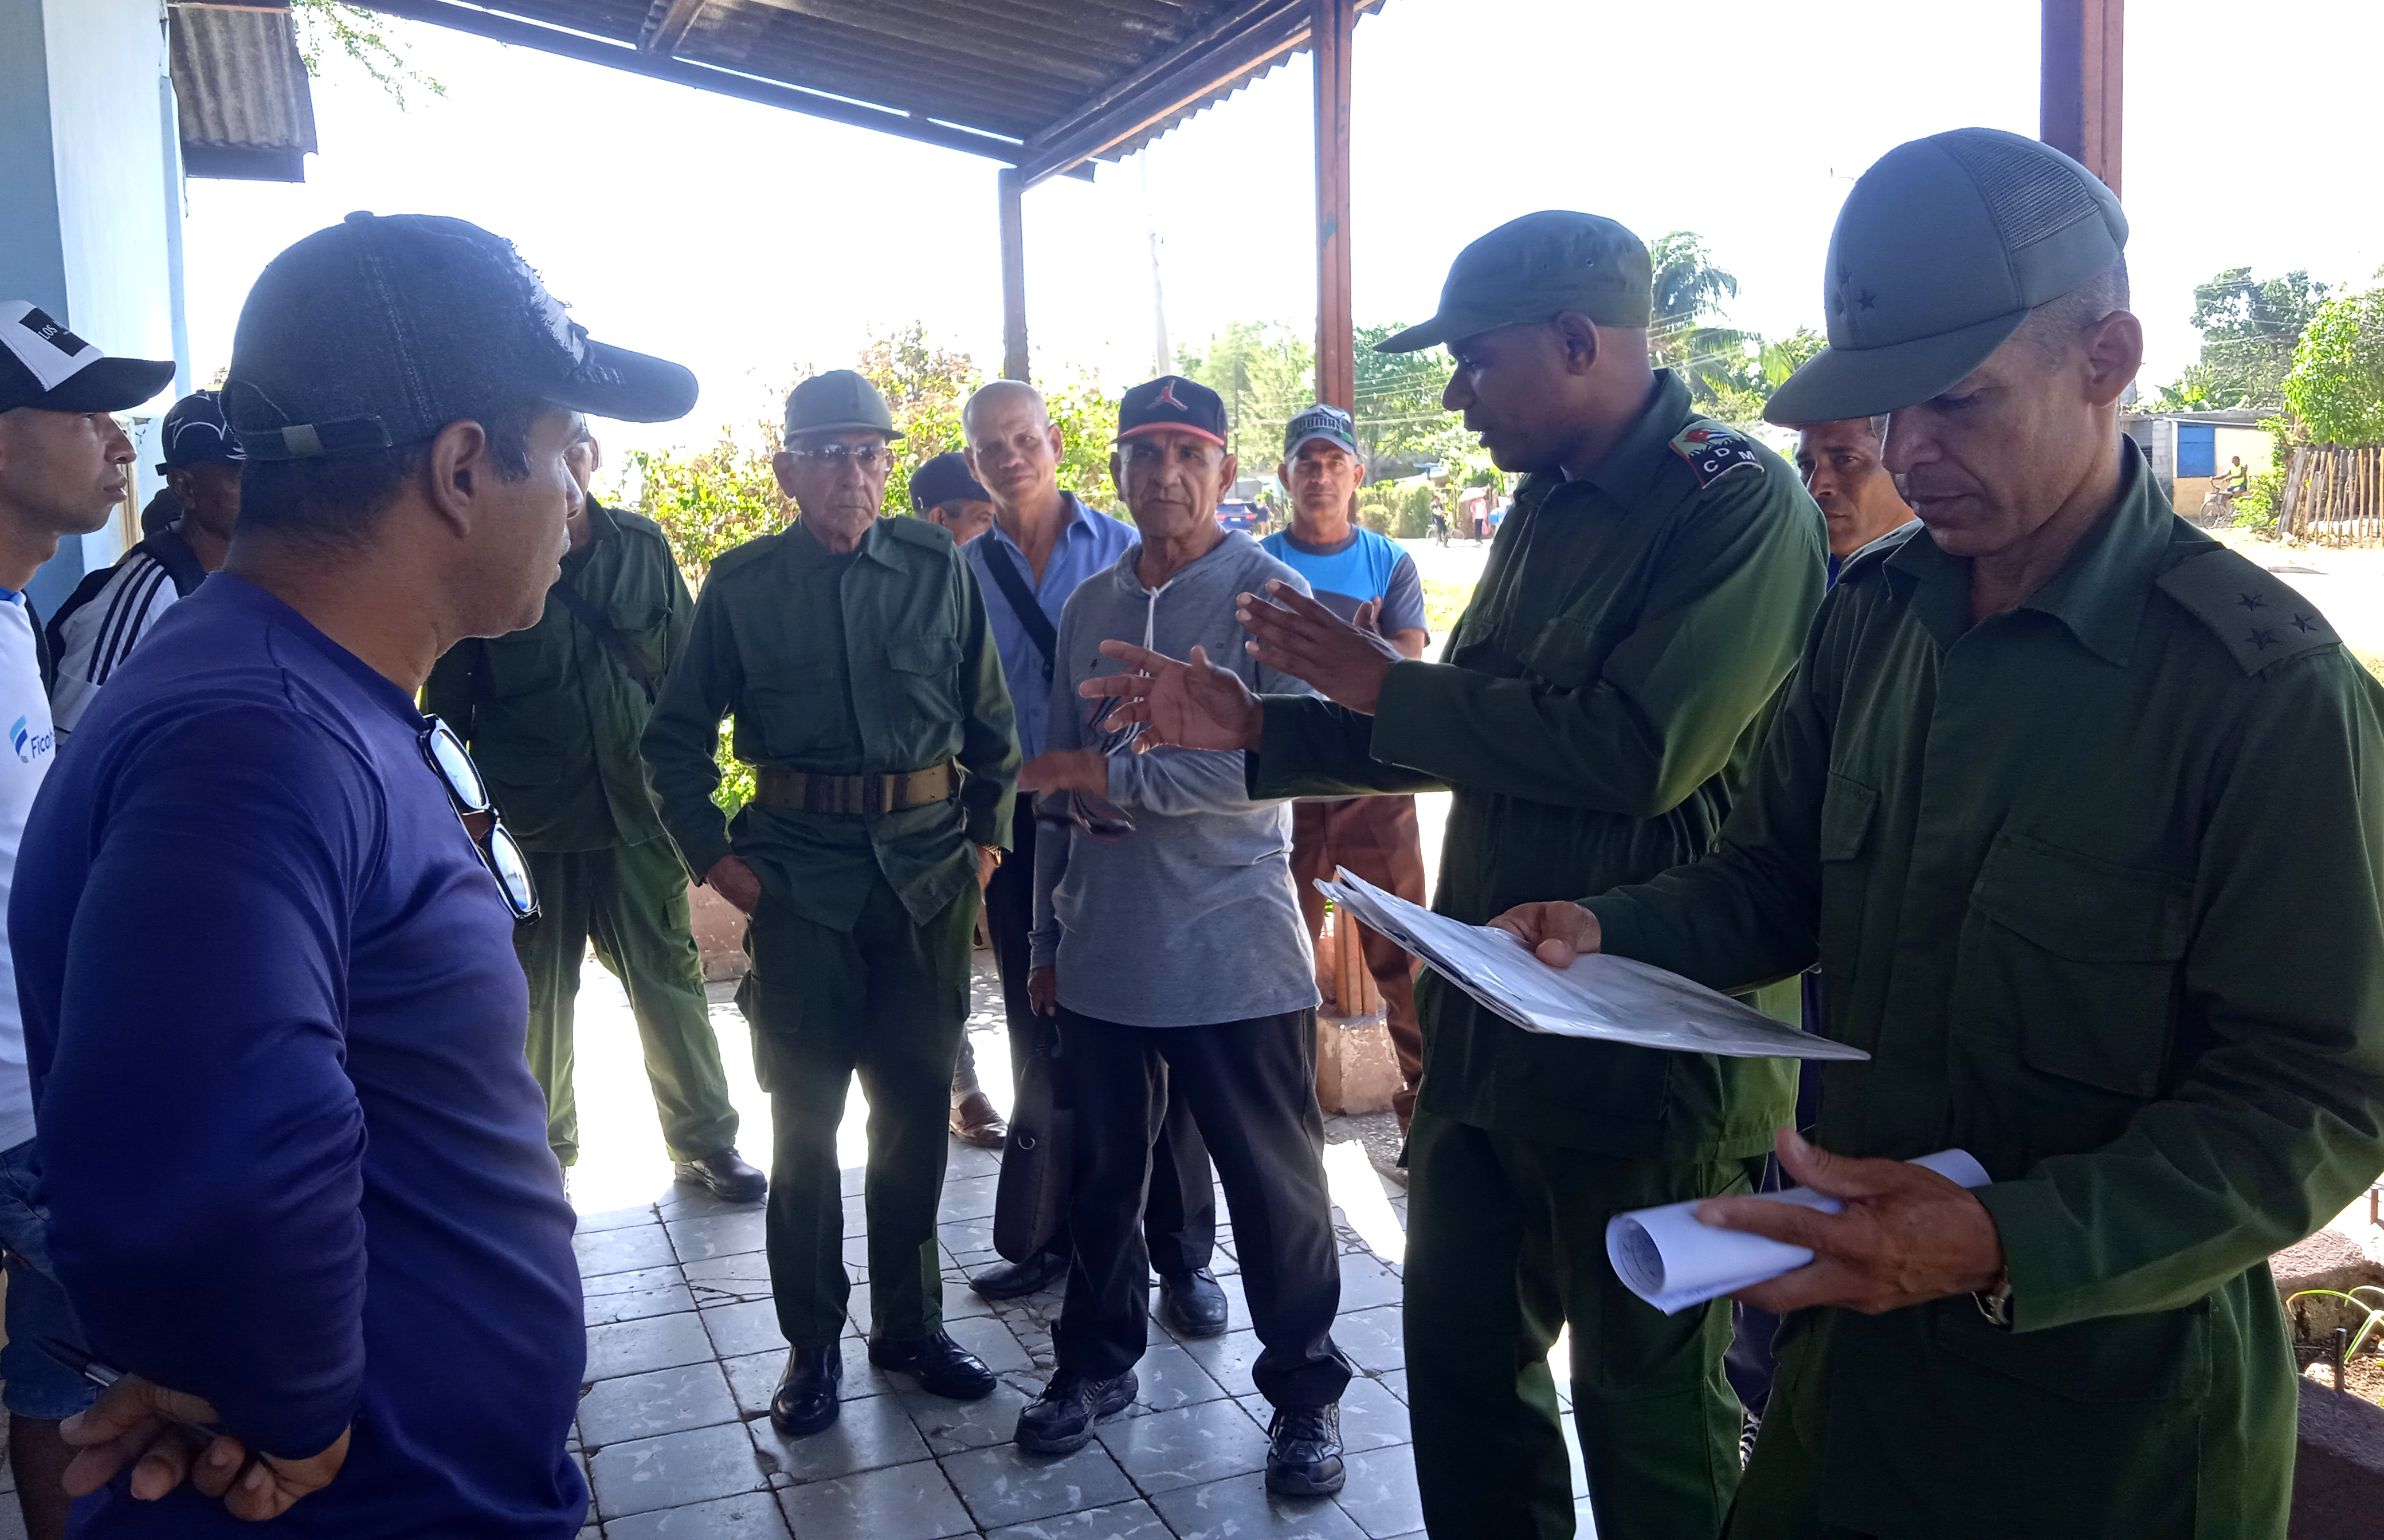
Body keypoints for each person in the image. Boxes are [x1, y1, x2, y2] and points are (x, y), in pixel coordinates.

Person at [1491, 129, 2384, 1540]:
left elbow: (2318, 1103)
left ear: (2107, 360)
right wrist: (1607, 929)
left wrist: (1997, 1241)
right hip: (1854, 1370)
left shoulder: (2260, 692)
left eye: (1957, 405)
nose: (1909, 454)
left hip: (2108, 1423)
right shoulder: (1879, 613)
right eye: (1886, 411)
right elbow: (1775, 879)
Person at [1078, 211, 1828, 1538]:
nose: (1455, 393)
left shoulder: (1735, 507)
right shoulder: (1544, 510)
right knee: (1465, 1381)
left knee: (1648, 1422)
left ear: (1579, 342)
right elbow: (1465, 713)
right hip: (1496, 1029)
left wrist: (1382, 682)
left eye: (1476, 362)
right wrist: (1256, 725)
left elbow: (1640, 752)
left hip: (1646, 1047)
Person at [14, 213, 698, 1535]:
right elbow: (220, 1145)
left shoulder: (302, 694)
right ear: (459, 469)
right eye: (560, 450)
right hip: (363, 1502)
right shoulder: (254, 736)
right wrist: (295, 1407)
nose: (575, 498)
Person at [642, 369, 1020, 1438]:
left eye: (872, 453)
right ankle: (811, 1342)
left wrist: (986, 841)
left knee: (912, 1116)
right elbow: (672, 744)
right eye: (833, 454)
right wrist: (720, 862)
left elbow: (992, 724)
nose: (856, 474)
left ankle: (910, 1324)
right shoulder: (745, 585)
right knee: (805, 1124)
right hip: (801, 883)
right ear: (788, 471)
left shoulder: (935, 563)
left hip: (926, 878)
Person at [1011, 375, 1351, 1495]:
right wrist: (1048, 943)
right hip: (1107, 952)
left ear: (1223, 470)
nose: (1164, 475)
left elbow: (1264, 770)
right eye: (1143, 454)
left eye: (1186, 454)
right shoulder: (1087, 609)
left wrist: (1109, 775)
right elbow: (1059, 785)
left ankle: (1303, 1395)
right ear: (1113, 471)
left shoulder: (1266, 595)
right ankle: (1096, 1363)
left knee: (1277, 1193)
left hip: (1236, 957)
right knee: (1105, 1179)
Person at [423, 422, 762, 1202]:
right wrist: (473, 832)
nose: (571, 462)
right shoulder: (489, 553)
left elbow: (686, 687)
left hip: (640, 817)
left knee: (669, 980)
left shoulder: (642, 549)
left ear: (594, 456)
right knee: (537, 995)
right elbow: (449, 715)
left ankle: (707, 1142)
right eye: (556, 448)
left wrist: (691, 799)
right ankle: (544, 1160)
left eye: (580, 446)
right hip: (532, 823)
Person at [955, 378, 1222, 1327]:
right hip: (1022, 826)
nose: (1011, 455)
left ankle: (1184, 1253)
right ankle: (1054, 1235)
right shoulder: (964, 573)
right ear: (977, 460)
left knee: (1163, 1033)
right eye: (993, 445)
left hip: (1135, 815)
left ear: (1058, 443)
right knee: (1045, 1032)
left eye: (1025, 437)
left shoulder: (1124, 552)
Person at [0, 301, 172, 1540]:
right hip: (16, 1105)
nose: (120, 443)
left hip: (40, 1094)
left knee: (62, 1383)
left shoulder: (12, 613)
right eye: (87, 412)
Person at [1725, 414, 1916, 1442]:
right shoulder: (1828, 599)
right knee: (1794, 1162)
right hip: (1803, 965)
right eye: (1813, 464)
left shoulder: (1911, 606)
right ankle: (1762, 1393)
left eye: (1850, 461)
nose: (1824, 485)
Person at [1260, 403, 1432, 1129]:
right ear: (1284, 474)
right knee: (1274, 966)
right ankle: (1278, 1124)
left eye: (1334, 462)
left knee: (1412, 963)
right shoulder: (1253, 563)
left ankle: (1430, 1118)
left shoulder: (1390, 562)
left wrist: (1355, 663)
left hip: (1373, 785)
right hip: (1279, 792)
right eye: (1307, 461)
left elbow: (1409, 663)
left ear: (1357, 474)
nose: (1320, 475)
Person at [906, 447, 1009, 1150]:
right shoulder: (901, 590)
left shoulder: (999, 573)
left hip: (1012, 797)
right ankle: (960, 1088)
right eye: (979, 518)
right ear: (940, 519)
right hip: (929, 812)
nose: (989, 531)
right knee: (935, 960)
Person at [47, 390, 241, 736]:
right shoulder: (146, 597)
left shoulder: (243, 579)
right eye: (243, 475)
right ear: (184, 488)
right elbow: (72, 748)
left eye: (274, 470)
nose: (269, 488)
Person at [1791, 415, 1915, 584]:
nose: (1815, 489)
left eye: (1845, 460)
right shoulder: (1791, 575)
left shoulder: (1952, 584)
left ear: (1906, 464)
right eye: (1806, 465)